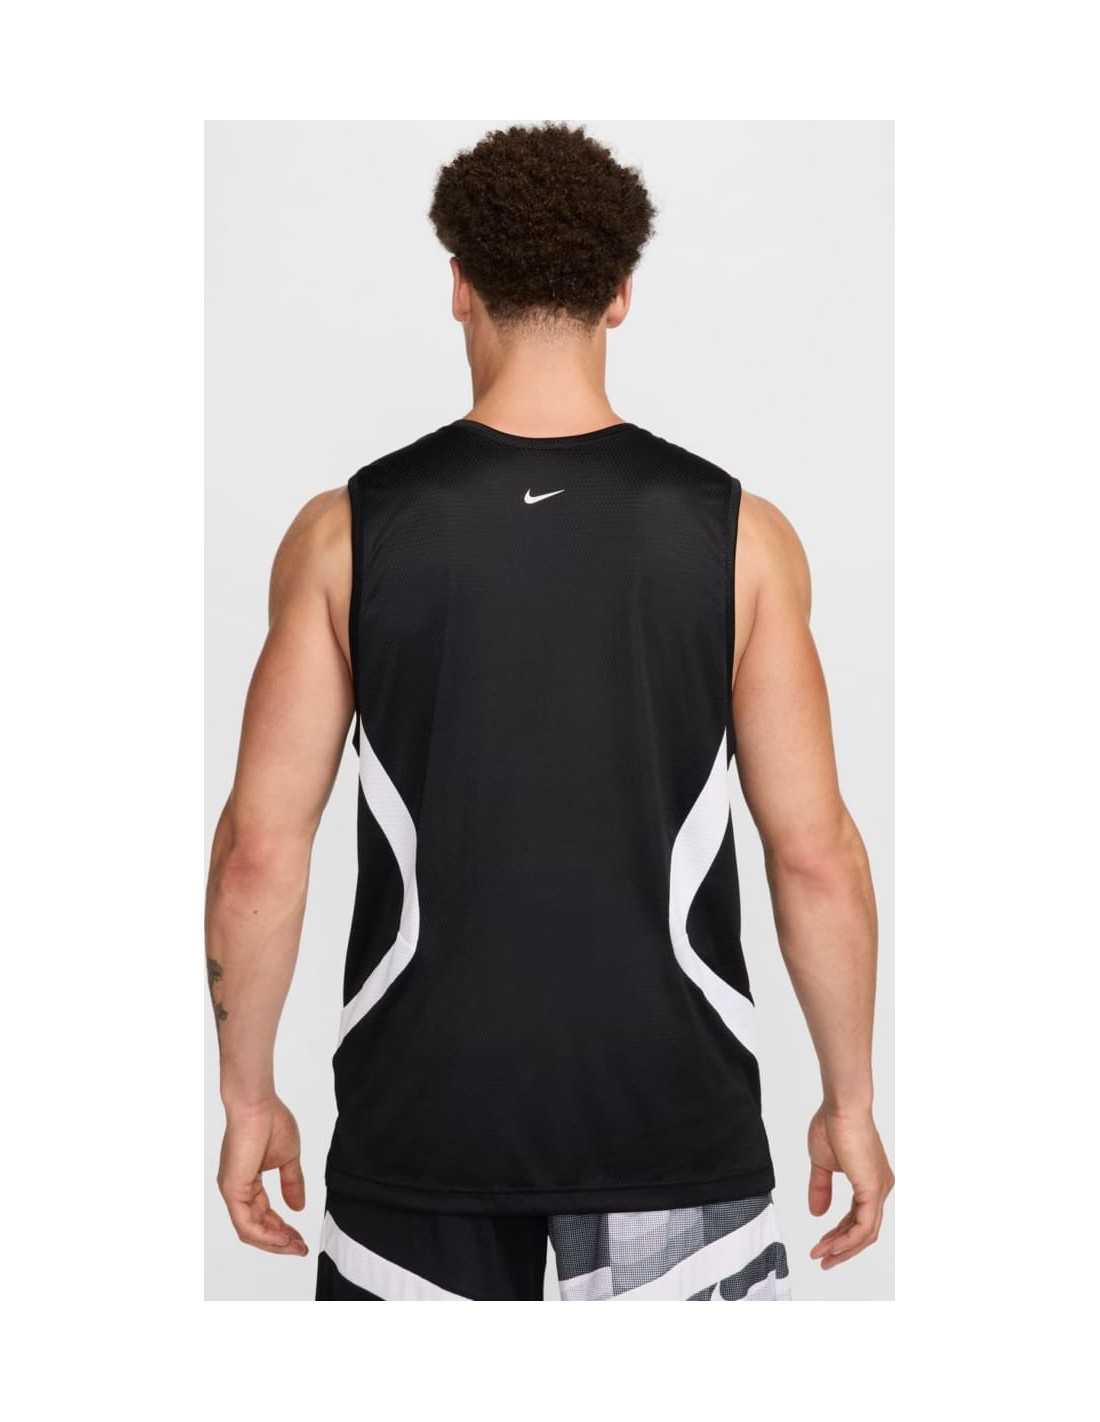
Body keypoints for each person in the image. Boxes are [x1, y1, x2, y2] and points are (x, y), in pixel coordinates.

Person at [206, 123, 893, 1301]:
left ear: (458, 285)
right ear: (619, 294)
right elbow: (813, 855)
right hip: (667, 1119)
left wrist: (245, 1095)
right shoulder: (740, 540)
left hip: (421, 1129)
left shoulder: (343, 535)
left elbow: (259, 851)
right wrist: (850, 1100)